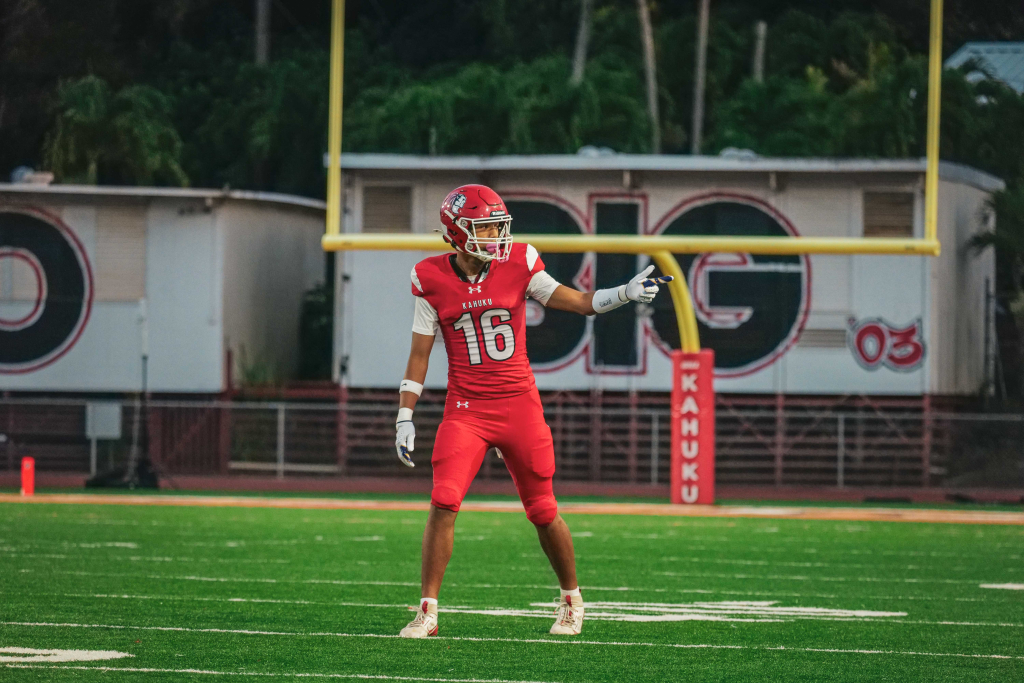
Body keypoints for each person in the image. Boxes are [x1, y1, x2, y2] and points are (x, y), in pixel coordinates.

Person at [395, 184, 671, 638]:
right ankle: (428, 611)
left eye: (497, 226)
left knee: (543, 509)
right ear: (456, 233)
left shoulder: (520, 262)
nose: (496, 236)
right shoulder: (429, 278)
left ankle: (572, 600)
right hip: (466, 409)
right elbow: (419, 354)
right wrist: (405, 415)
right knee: (443, 500)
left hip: (518, 405)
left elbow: (579, 302)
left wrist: (624, 292)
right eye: (485, 228)